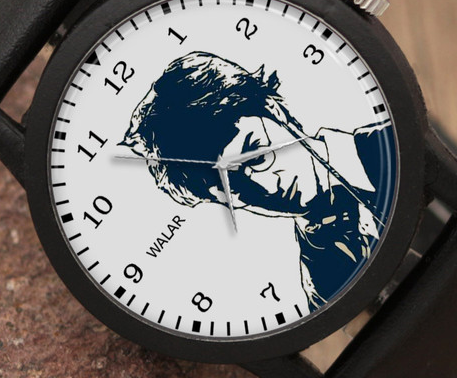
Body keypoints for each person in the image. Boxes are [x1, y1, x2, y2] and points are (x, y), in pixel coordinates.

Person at [119, 51, 395, 310]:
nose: (267, 188)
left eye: (257, 155)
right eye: (233, 190)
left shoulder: (391, 144)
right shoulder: (321, 275)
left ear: (274, 111)